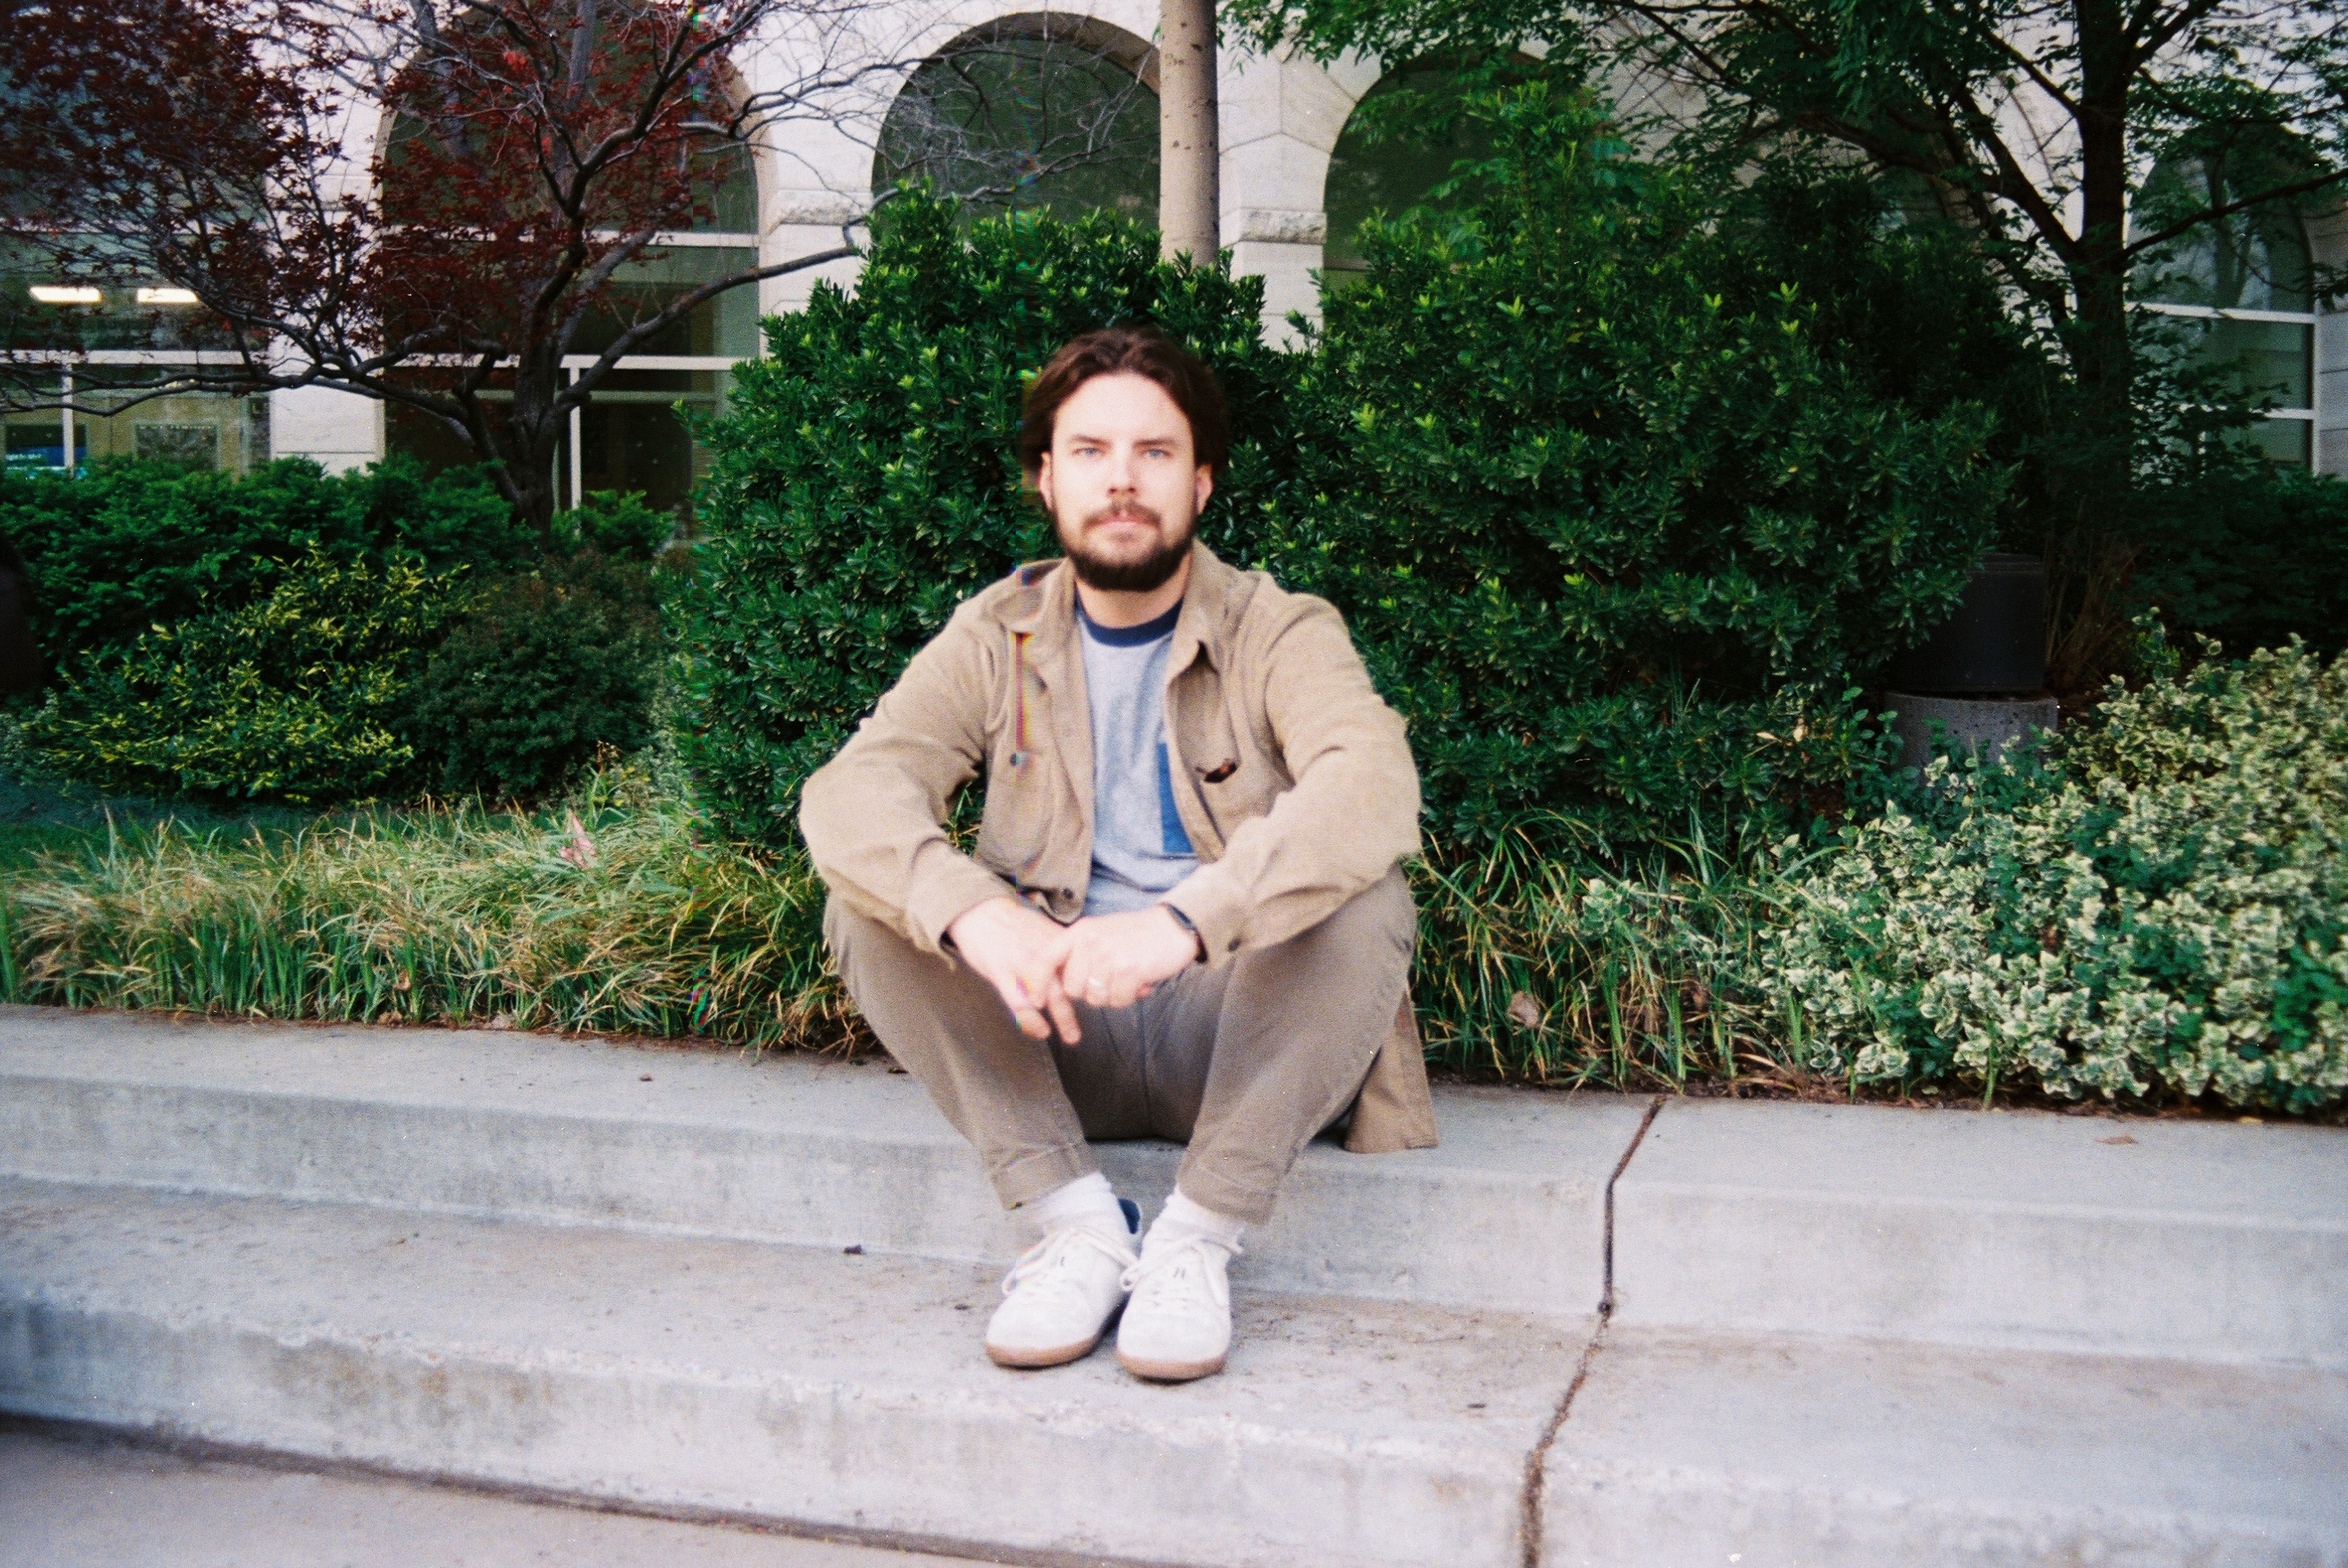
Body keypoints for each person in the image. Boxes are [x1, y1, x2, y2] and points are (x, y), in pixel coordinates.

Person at [801, 325, 1433, 1383]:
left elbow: (1370, 784)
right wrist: (975, 911)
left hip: (1233, 1033)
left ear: (1201, 482)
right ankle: (1076, 1226)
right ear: (1047, 480)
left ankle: (1194, 1241)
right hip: (1052, 1031)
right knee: (873, 899)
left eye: (1154, 452)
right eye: (1090, 452)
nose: (1123, 482)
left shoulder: (1279, 627)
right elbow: (851, 791)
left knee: (1365, 897)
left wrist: (1183, 923)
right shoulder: (994, 631)